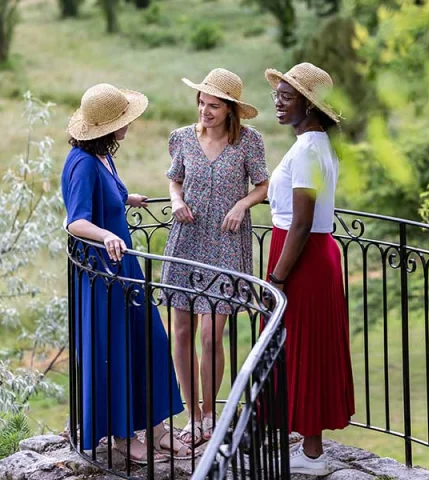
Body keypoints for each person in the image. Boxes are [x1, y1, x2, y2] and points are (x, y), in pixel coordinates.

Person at [62, 83, 191, 463]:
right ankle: (121, 437)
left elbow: (107, 196)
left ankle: (157, 428)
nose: (129, 124)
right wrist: (105, 235)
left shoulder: (101, 155)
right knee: (114, 351)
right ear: (104, 127)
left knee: (148, 339)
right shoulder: (82, 164)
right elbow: (76, 222)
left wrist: (125, 198)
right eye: (123, 120)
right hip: (103, 276)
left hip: (124, 268)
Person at [160, 68, 269, 446]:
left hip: (225, 243)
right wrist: (176, 201)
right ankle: (193, 417)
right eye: (202, 103)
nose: (205, 111)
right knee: (183, 332)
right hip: (187, 240)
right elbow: (175, 178)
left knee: (210, 335)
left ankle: (210, 413)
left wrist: (242, 203)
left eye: (214, 106)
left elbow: (263, 185)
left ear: (230, 110)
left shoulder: (249, 143)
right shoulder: (182, 139)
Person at [263, 63, 355, 475]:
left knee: (306, 347)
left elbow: (301, 222)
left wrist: (277, 277)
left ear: (309, 104)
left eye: (287, 96)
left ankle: (314, 453)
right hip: (307, 252)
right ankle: (306, 440)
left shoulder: (309, 149)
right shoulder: (313, 146)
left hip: (303, 257)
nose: (277, 102)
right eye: (278, 94)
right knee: (299, 345)